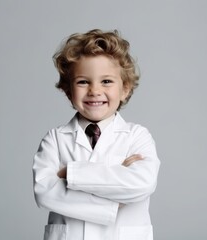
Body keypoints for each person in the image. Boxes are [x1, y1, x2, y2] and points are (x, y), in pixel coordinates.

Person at [32, 29, 160, 240]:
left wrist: (70, 174)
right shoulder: (54, 139)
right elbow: (44, 191)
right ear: (68, 90)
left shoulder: (137, 136)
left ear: (125, 89)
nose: (94, 90)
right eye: (83, 82)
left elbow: (142, 183)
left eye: (106, 81)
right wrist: (116, 188)